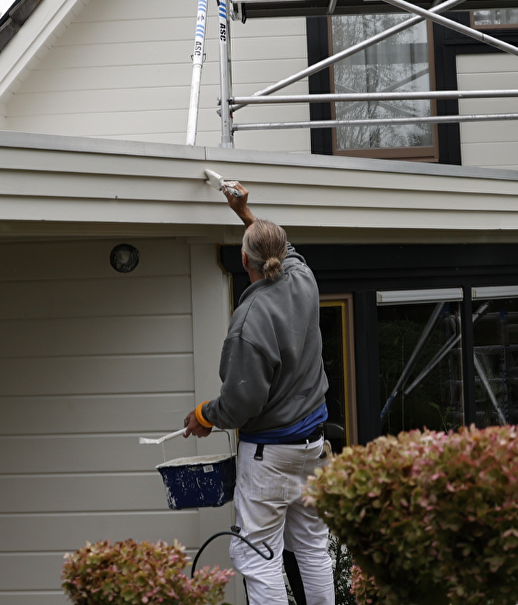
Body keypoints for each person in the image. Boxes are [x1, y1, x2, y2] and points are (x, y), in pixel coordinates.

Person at [183, 181, 335, 605]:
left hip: (271, 454)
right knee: (311, 545)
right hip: (314, 446)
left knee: (258, 555)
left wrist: (204, 416)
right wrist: (245, 213)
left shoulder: (249, 320)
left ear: (243, 259)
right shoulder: (303, 278)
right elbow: (284, 250)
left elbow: (241, 403)